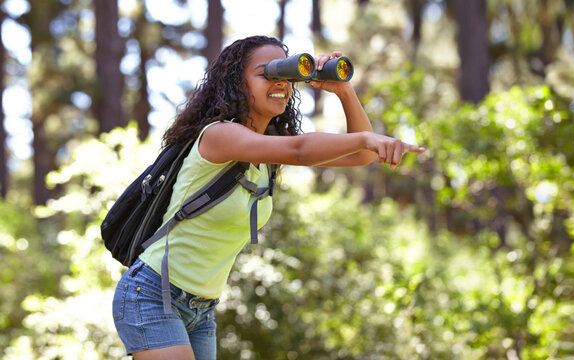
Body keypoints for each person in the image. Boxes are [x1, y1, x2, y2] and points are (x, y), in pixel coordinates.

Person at [112, 35, 425, 360]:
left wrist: (344, 91)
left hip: (201, 309)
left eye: (286, 76)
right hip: (151, 293)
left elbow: (361, 157)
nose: (281, 84)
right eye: (267, 74)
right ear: (237, 82)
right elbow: (302, 150)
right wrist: (366, 137)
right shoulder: (220, 136)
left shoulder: (269, 154)